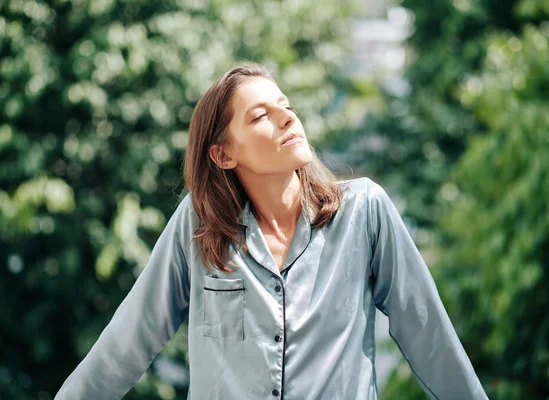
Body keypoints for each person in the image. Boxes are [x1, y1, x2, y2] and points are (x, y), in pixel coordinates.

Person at [55, 62, 488, 399]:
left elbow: (429, 335)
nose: (286, 118)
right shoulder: (199, 225)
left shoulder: (365, 211)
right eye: (261, 115)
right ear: (223, 154)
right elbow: (130, 338)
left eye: (287, 106)